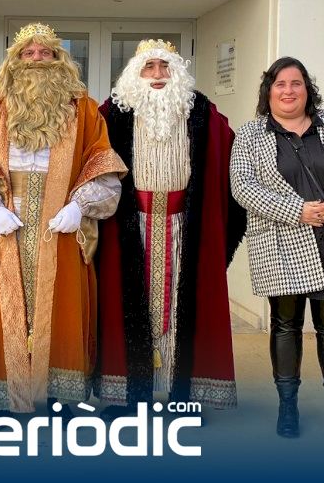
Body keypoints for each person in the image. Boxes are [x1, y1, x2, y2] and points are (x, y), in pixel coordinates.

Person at [0, 22, 126, 415]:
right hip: (7, 224)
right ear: (15, 60)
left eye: (45, 52)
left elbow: (102, 166)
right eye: (28, 52)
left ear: (59, 59)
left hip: (61, 226)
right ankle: (2, 398)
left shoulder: (84, 110)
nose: (37, 59)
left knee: (63, 309)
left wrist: (80, 206)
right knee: (2, 311)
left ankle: (61, 397)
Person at [229, 57, 324, 444]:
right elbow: (242, 186)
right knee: (285, 325)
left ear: (307, 89)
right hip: (280, 244)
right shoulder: (251, 134)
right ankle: (288, 407)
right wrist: (297, 211)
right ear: (269, 91)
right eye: (280, 84)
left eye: (296, 83)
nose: (289, 91)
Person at [95, 39, 244, 417]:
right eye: (149, 67)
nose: (158, 74)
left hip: (185, 229)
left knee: (183, 311)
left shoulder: (203, 114)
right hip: (129, 229)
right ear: (135, 73)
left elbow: (232, 159)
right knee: (130, 310)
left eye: (165, 66)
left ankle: (182, 396)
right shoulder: (112, 115)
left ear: (177, 72)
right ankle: (131, 397)